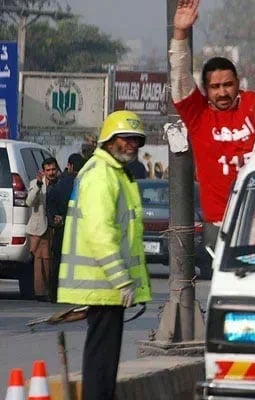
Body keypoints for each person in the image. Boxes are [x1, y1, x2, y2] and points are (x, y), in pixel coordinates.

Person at [170, 0, 255, 251]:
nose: (223, 92)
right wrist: (180, 32)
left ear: (238, 83)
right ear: (205, 89)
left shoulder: (249, 104)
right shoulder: (197, 114)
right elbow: (180, 75)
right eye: (215, 87)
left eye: (228, 84)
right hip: (220, 221)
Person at [56, 110, 152, 400]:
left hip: (107, 286)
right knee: (100, 363)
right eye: (125, 138)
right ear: (109, 141)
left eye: (136, 140)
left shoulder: (115, 173)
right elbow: (100, 232)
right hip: (103, 284)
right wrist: (121, 279)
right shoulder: (101, 175)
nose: (131, 145)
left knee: (104, 362)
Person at [45, 153, 84, 302]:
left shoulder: (60, 183)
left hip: (62, 229)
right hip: (79, 229)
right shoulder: (86, 182)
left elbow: (50, 201)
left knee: (58, 262)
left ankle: (54, 294)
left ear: (70, 165)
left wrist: (55, 217)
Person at [26, 157, 60, 302]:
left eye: (53, 169)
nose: (51, 173)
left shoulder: (60, 184)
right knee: (40, 261)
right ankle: (40, 292)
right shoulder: (36, 184)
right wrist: (39, 185)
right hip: (39, 227)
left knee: (50, 260)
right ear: (43, 171)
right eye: (48, 170)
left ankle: (50, 290)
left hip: (55, 227)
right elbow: (29, 202)